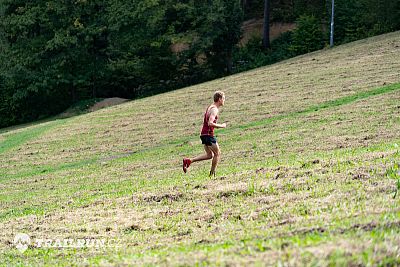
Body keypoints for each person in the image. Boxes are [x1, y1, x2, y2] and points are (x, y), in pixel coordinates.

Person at [183, 91, 227, 177]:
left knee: (209, 155)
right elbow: (210, 123)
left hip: (204, 134)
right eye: (224, 99)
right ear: (220, 99)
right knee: (217, 154)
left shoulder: (210, 107)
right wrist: (221, 126)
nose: (224, 100)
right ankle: (212, 174)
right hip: (208, 135)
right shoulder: (214, 109)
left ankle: (189, 161)